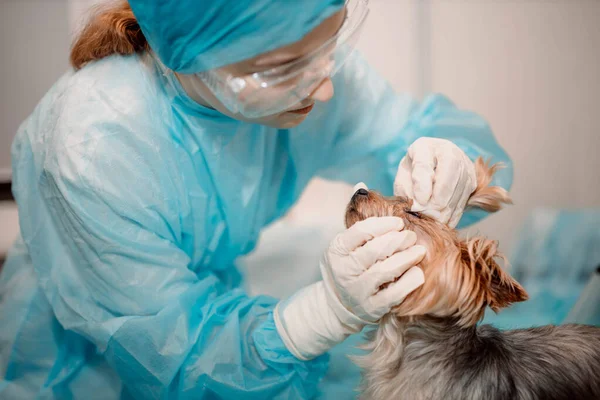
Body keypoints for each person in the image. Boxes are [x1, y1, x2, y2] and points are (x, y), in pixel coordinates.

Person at [0, 0, 512, 398]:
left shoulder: (303, 65)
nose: (326, 89)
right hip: (84, 357)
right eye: (285, 68)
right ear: (194, 56)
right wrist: (315, 317)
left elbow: (400, 127)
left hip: (208, 312)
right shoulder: (91, 147)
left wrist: (458, 164)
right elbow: (167, 348)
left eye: (329, 46)